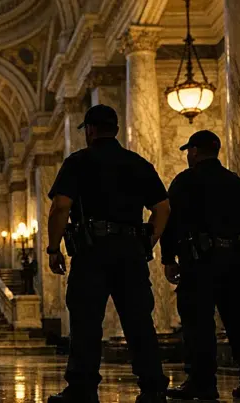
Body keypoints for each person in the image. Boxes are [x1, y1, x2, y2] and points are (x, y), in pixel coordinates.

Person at [45, 105, 171, 403]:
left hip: (91, 251)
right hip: (131, 252)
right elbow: (162, 208)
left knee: (86, 322)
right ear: (115, 129)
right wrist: (146, 243)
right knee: (139, 320)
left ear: (89, 129)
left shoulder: (78, 162)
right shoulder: (138, 163)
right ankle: (153, 387)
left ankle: (82, 389)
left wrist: (53, 248)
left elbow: (61, 206)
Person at [162, 130, 240, 401]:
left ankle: (202, 383)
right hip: (233, 265)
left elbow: (170, 223)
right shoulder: (237, 183)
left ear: (194, 151)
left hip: (198, 266)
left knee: (198, 326)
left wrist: (168, 259)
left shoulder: (185, 182)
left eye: (189, 151)